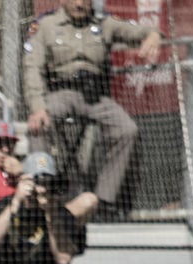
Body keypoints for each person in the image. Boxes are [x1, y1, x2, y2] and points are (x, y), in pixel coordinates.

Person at [24, 0, 161, 221]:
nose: (80, 4)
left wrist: (153, 35)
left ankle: (103, 199)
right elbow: (33, 69)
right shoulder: (46, 26)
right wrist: (38, 108)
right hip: (61, 92)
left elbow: (136, 30)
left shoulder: (104, 24)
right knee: (38, 126)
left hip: (95, 96)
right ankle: (43, 186)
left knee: (127, 130)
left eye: (85, 0)